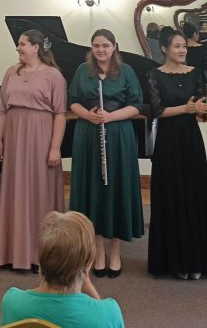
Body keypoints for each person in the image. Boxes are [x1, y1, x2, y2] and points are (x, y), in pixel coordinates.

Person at [144, 26, 207, 279]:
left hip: (190, 139)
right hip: (166, 141)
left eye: (184, 46)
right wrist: (185, 109)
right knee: (170, 195)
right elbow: (157, 110)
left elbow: (200, 110)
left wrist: (198, 110)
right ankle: (174, 262)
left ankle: (196, 261)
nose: (182, 50)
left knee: (193, 194)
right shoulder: (153, 75)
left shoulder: (196, 73)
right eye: (177, 46)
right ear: (164, 49)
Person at [67, 29, 144, 278]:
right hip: (88, 133)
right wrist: (87, 115)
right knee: (93, 189)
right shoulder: (82, 70)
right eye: (96, 45)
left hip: (119, 133)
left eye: (105, 45)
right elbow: (72, 101)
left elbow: (136, 105)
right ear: (91, 48)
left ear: (114, 47)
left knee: (116, 188)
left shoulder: (127, 71)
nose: (100, 50)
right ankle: (97, 252)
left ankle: (115, 253)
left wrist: (110, 117)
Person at [0, 29, 68, 270]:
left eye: (22, 44)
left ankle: (41, 255)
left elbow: (60, 114)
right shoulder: (10, 73)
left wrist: (55, 147)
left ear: (36, 48)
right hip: (14, 136)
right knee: (15, 189)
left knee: (40, 190)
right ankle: (13, 253)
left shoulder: (54, 75)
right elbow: (3, 110)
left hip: (41, 135)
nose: (18, 48)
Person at [0, 211, 124, 328]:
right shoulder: (109, 313)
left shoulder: (12, 303)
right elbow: (102, 317)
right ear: (87, 264)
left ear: (41, 260)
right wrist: (89, 285)